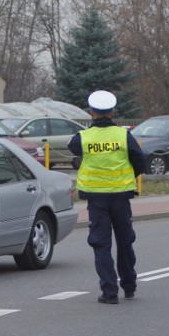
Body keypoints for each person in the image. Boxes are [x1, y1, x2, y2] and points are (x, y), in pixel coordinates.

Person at [67, 90, 146, 304]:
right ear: (112, 112)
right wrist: (127, 176)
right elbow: (140, 161)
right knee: (125, 242)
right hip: (121, 197)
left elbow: (71, 147)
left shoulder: (82, 138)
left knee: (101, 245)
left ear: (91, 112)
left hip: (97, 200)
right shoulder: (123, 135)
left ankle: (110, 293)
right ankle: (129, 287)